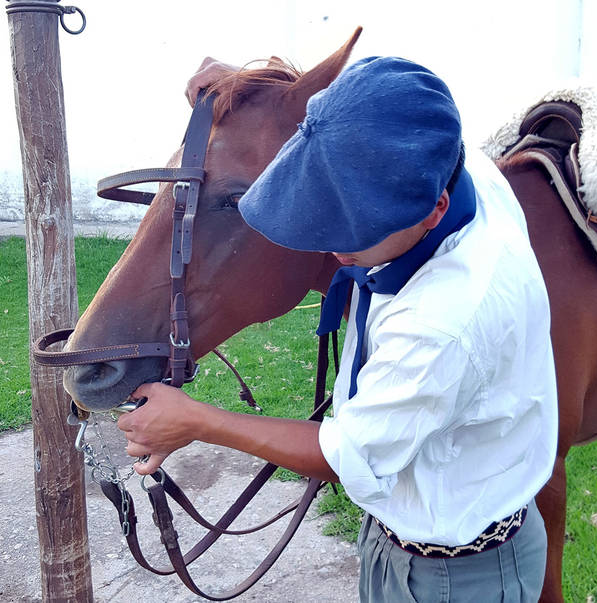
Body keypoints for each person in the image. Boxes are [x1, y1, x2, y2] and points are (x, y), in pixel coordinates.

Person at [118, 56, 558, 602]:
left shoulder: (444, 321)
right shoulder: (457, 168)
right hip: (400, 540)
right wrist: (256, 88)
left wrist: (197, 421)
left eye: (349, 232)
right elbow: (371, 104)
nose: (330, 247)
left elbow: (347, 456)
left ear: (432, 210)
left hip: (455, 576)